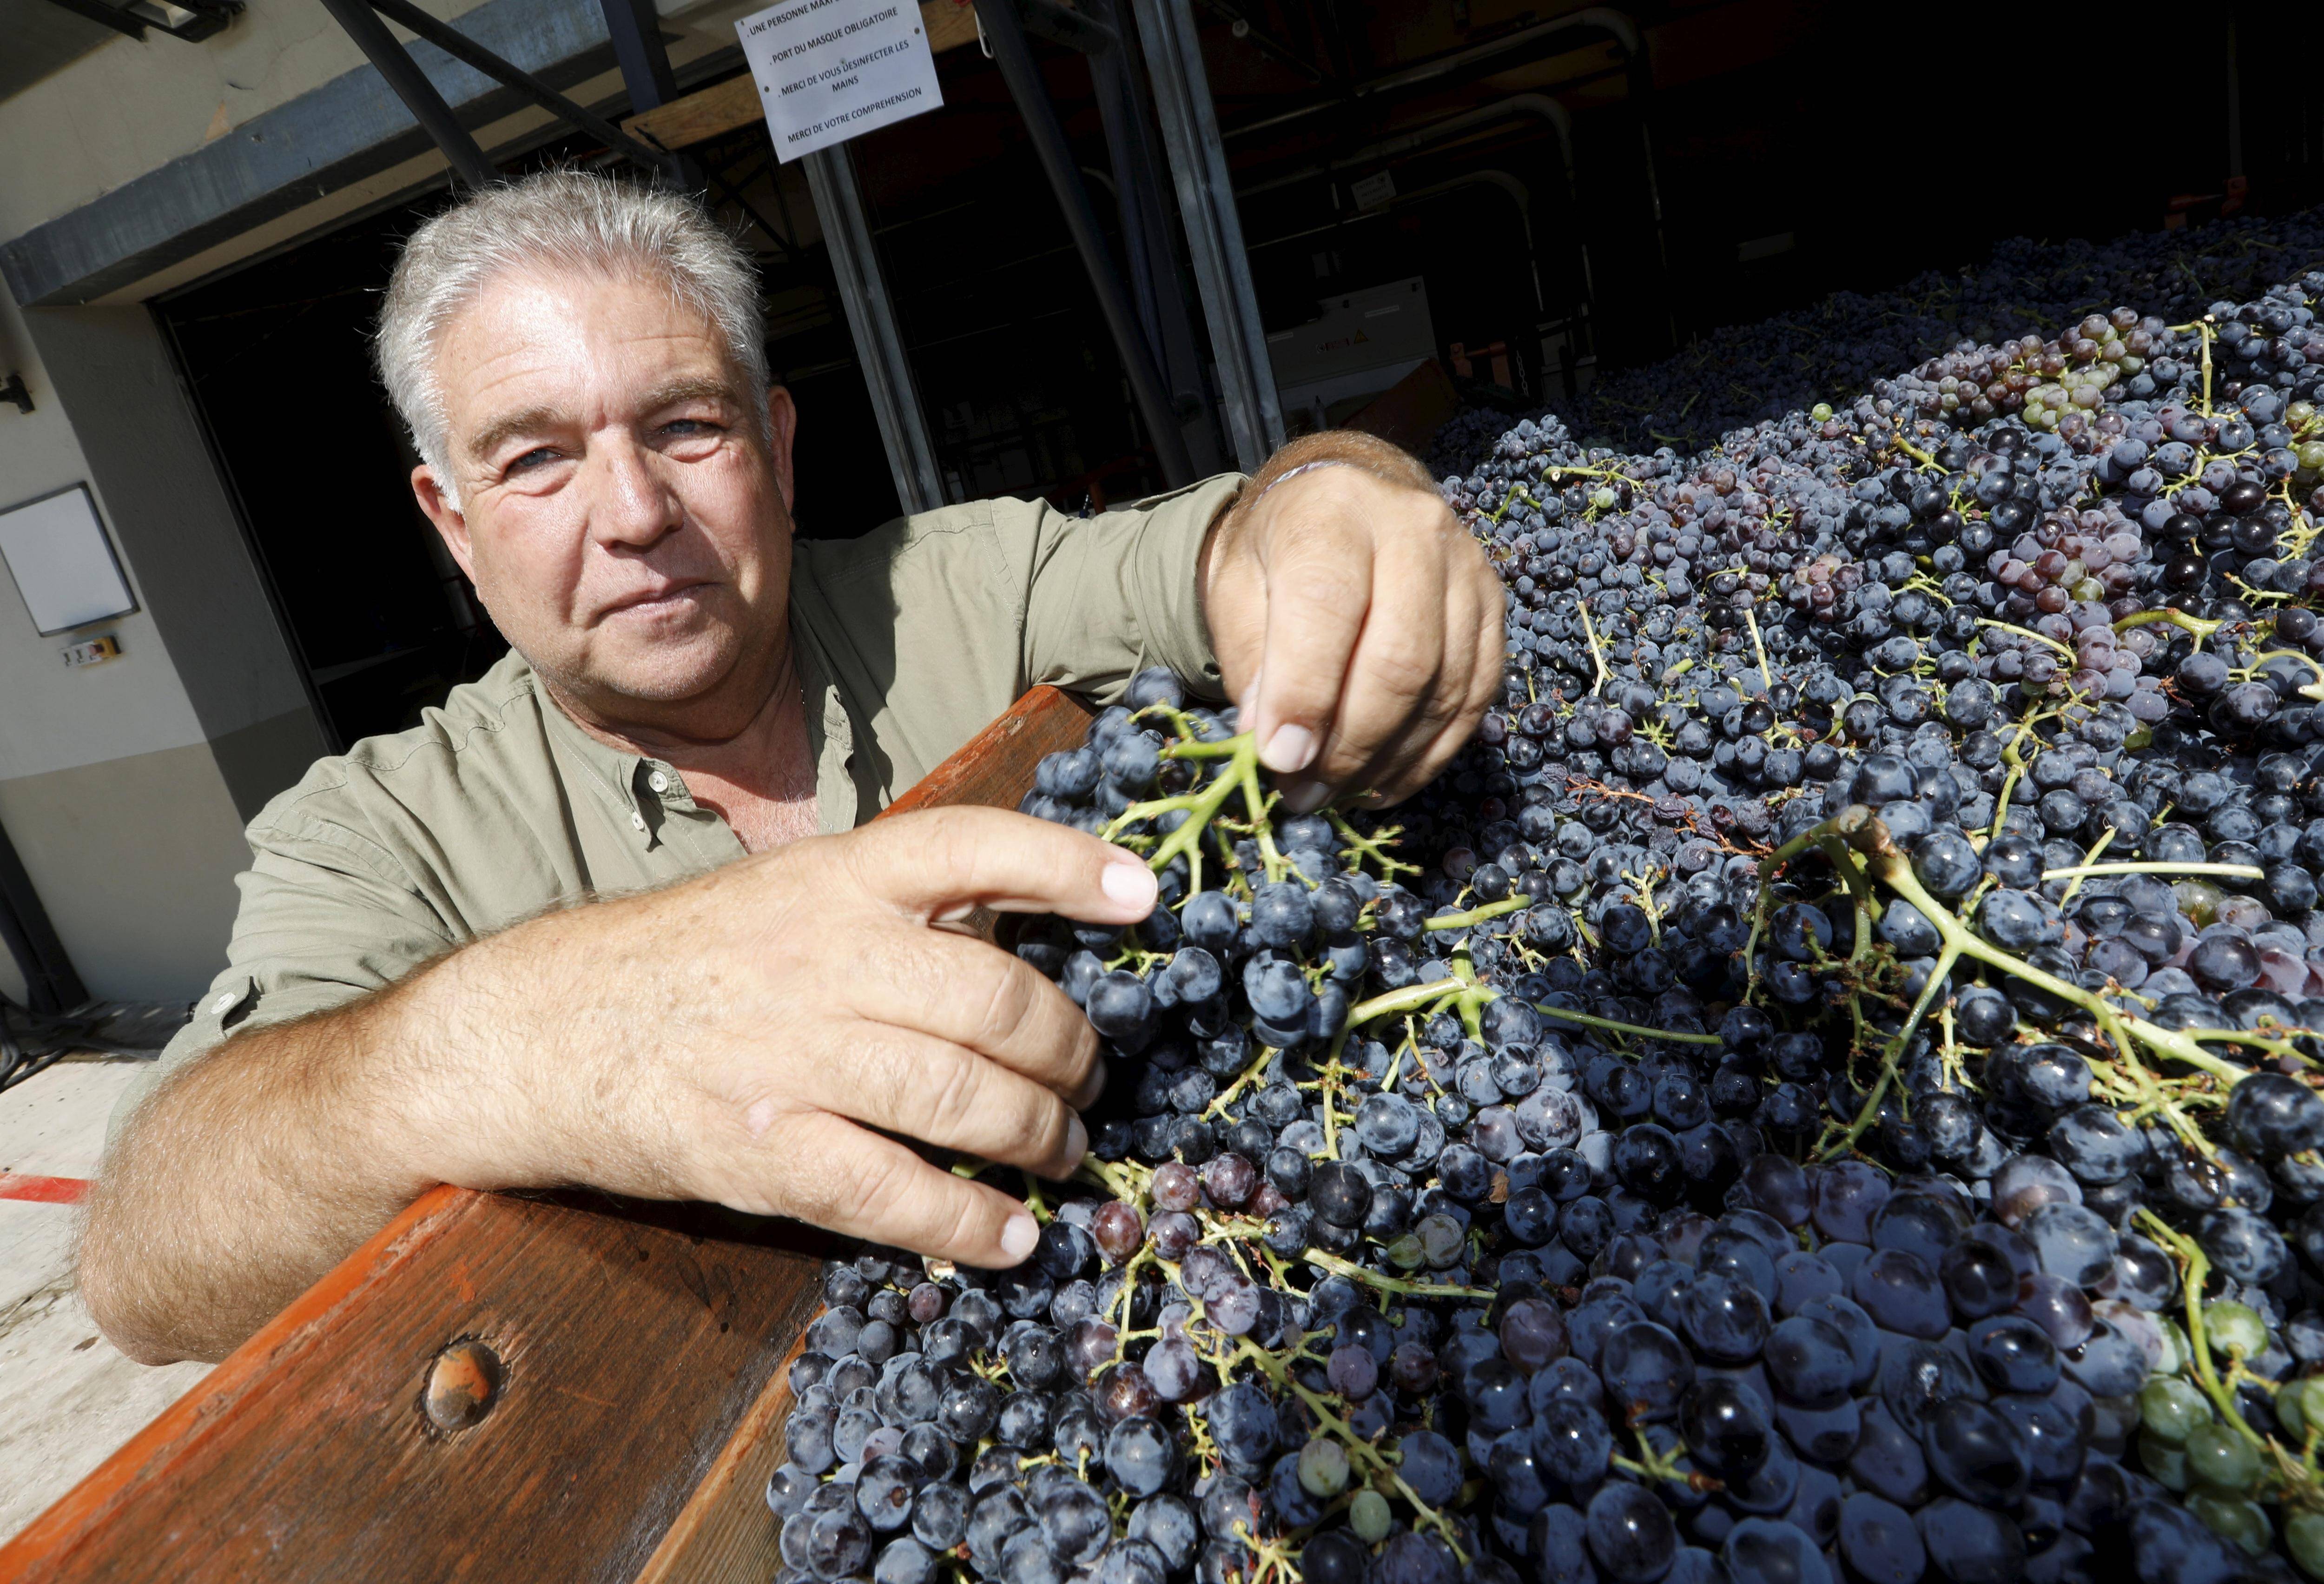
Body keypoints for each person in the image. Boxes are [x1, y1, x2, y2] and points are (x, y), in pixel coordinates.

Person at [79, 171, 1503, 1365]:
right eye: (536, 462)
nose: (635, 512)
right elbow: (147, 1254)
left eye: (688, 426)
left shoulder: (960, 589)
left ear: (777, 441)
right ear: (451, 525)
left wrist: (1336, 497)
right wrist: (573, 1024)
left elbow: (1222, 548)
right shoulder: (383, 831)